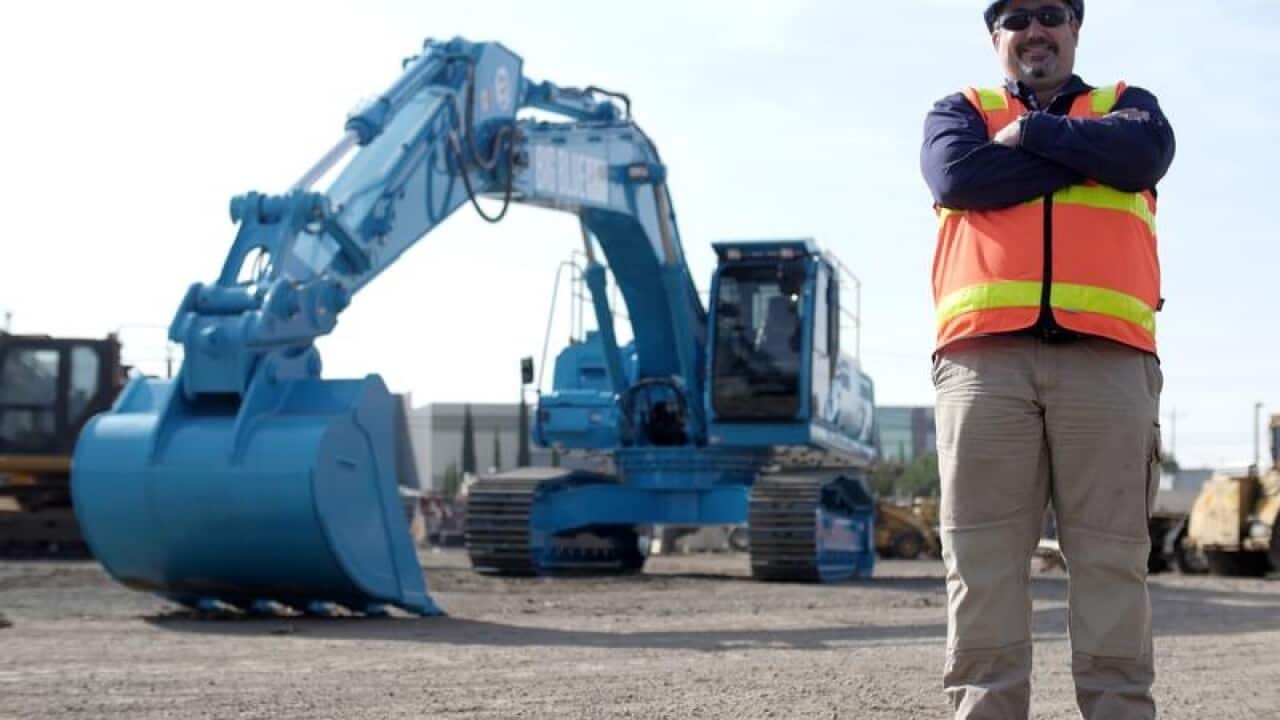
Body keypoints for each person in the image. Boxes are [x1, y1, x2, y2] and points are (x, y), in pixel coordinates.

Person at [919, 1, 1175, 718]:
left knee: (1111, 564)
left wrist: (1029, 133)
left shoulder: (1129, 107)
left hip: (1109, 364)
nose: (1036, 29)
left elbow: (1141, 159)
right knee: (982, 566)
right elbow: (959, 179)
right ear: (995, 36)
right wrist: (1082, 158)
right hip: (983, 367)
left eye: (1053, 13)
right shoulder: (959, 110)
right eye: (1016, 16)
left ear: (1076, 28)